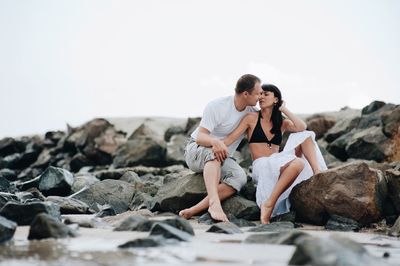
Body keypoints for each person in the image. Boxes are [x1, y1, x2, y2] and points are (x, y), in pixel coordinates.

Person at [223, 84, 327, 224]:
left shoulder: (281, 122)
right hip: (261, 165)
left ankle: (317, 172)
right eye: (260, 94)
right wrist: (211, 146)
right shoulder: (251, 118)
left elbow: (302, 127)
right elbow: (230, 138)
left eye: (266, 94)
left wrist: (283, 109)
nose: (261, 97)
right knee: (298, 162)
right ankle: (269, 203)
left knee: (306, 136)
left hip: (278, 161)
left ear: (276, 99)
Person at [179, 74, 263, 222]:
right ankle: (214, 203)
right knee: (214, 153)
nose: (259, 97)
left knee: (239, 177)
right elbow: (200, 137)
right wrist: (215, 142)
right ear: (245, 94)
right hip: (196, 150)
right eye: (257, 93)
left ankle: (193, 210)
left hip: (223, 157)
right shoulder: (217, 106)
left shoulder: (251, 113)